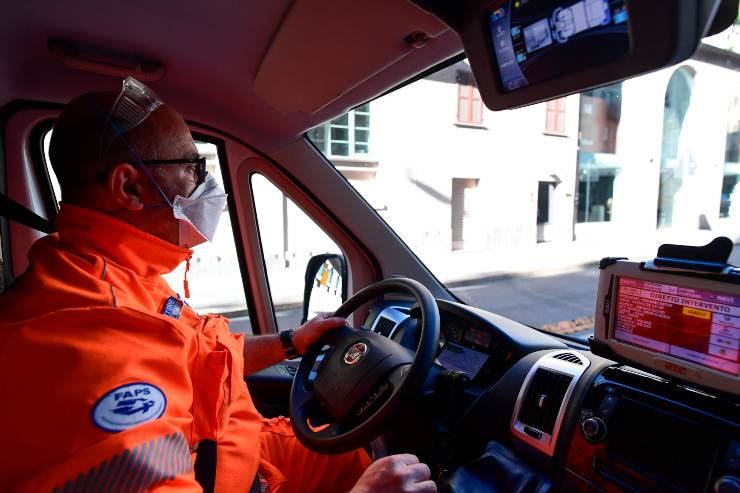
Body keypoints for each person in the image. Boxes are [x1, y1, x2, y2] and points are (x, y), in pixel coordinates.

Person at [0, 79, 436, 493]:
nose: (205, 183)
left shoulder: (117, 274)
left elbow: (207, 353)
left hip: (246, 454)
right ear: (129, 186)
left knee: (354, 455)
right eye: (191, 167)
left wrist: (291, 341)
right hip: (233, 476)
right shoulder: (100, 342)